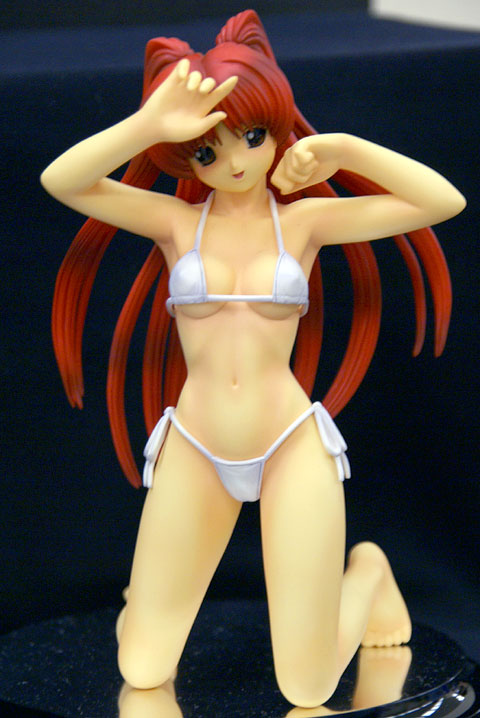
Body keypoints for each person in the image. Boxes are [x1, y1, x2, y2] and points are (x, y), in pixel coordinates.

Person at [40, 10, 465, 707]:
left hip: (288, 441)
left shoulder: (303, 223)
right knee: (141, 669)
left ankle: (367, 575)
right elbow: (63, 180)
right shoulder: (175, 224)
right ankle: (149, 602)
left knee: (308, 686)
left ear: (275, 127)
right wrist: (148, 126)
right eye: (206, 151)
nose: (235, 161)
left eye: (253, 136)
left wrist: (343, 150)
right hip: (196, 445)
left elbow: (443, 201)